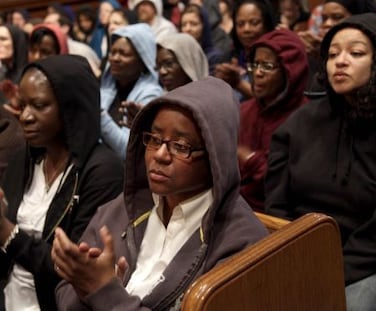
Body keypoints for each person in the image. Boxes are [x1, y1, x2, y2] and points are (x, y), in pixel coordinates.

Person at [52, 77, 268, 310]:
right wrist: (85, 284)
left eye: (180, 146)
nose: (160, 155)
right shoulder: (123, 207)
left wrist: (105, 293)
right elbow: (65, 290)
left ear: (216, 158)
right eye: (154, 139)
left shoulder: (243, 242)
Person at [265, 13, 376, 310]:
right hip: (303, 255)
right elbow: (277, 206)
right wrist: (297, 262)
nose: (340, 61)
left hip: (375, 261)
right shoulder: (300, 122)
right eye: (332, 54)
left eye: (355, 53)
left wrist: (334, 270)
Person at [0, 55, 124, 310]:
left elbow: (75, 270)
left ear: (70, 108)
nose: (25, 117)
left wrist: (6, 233)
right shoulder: (25, 157)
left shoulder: (102, 171)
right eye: (22, 105)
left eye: (38, 105)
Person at [238, 28, 309, 212]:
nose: (258, 73)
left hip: (284, 217)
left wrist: (250, 159)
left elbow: (292, 184)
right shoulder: (244, 110)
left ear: (289, 71)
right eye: (254, 65)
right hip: (238, 210)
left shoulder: (307, 117)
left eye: (267, 66)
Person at [100, 23, 163, 159]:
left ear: (142, 61)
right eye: (113, 52)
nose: (115, 59)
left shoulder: (151, 94)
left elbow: (127, 150)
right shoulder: (107, 87)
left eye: (123, 54)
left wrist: (99, 116)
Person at [214, 0, 275, 102]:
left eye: (254, 23)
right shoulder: (230, 55)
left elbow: (271, 100)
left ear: (266, 24)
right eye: (240, 24)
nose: (246, 29)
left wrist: (239, 83)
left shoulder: (276, 57)